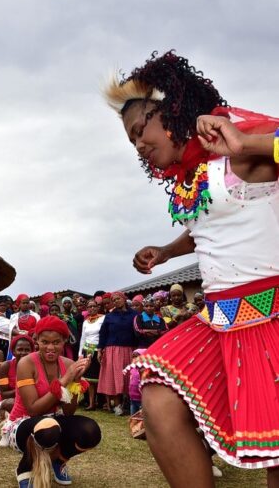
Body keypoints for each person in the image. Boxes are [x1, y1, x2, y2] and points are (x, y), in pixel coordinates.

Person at [105, 50, 279, 485]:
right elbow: (213, 226)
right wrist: (166, 251)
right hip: (220, 318)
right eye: (130, 143)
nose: (138, 146)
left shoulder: (236, 142)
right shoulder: (193, 171)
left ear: (171, 110)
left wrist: (246, 142)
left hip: (269, 312)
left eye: (139, 131)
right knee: (158, 400)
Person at [1, 316, 101, 487]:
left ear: (64, 342)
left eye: (56, 342)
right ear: (37, 341)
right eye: (44, 341)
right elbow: (33, 410)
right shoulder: (26, 363)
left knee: (91, 430)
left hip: (54, 420)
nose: (50, 347)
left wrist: (75, 380)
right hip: (22, 424)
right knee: (48, 427)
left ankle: (59, 460)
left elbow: (68, 412)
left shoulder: (68, 363)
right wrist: (64, 380)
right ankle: (25, 468)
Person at [97, 291, 136, 415]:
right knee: (115, 378)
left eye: (118, 299)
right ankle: (118, 406)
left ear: (124, 299)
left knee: (130, 378)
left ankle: (130, 405)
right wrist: (99, 349)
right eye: (113, 300)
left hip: (129, 349)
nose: (116, 301)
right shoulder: (109, 316)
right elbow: (103, 333)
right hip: (112, 350)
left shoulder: (135, 315)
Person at [0, 335, 34, 445]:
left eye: (27, 350)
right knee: (12, 402)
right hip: (5, 403)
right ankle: (7, 431)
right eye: (20, 349)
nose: (23, 353)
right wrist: (22, 389)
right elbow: (4, 394)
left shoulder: (36, 366)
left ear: (32, 351)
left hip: (28, 402)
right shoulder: (5, 366)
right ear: (13, 351)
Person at [78, 299, 104, 411]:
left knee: (99, 378)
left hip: (99, 351)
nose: (92, 308)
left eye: (94, 306)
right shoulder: (85, 322)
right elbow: (83, 338)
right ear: (87, 309)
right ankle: (91, 403)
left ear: (98, 307)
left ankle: (102, 402)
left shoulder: (103, 318)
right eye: (90, 307)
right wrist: (80, 353)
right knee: (89, 379)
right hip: (87, 351)